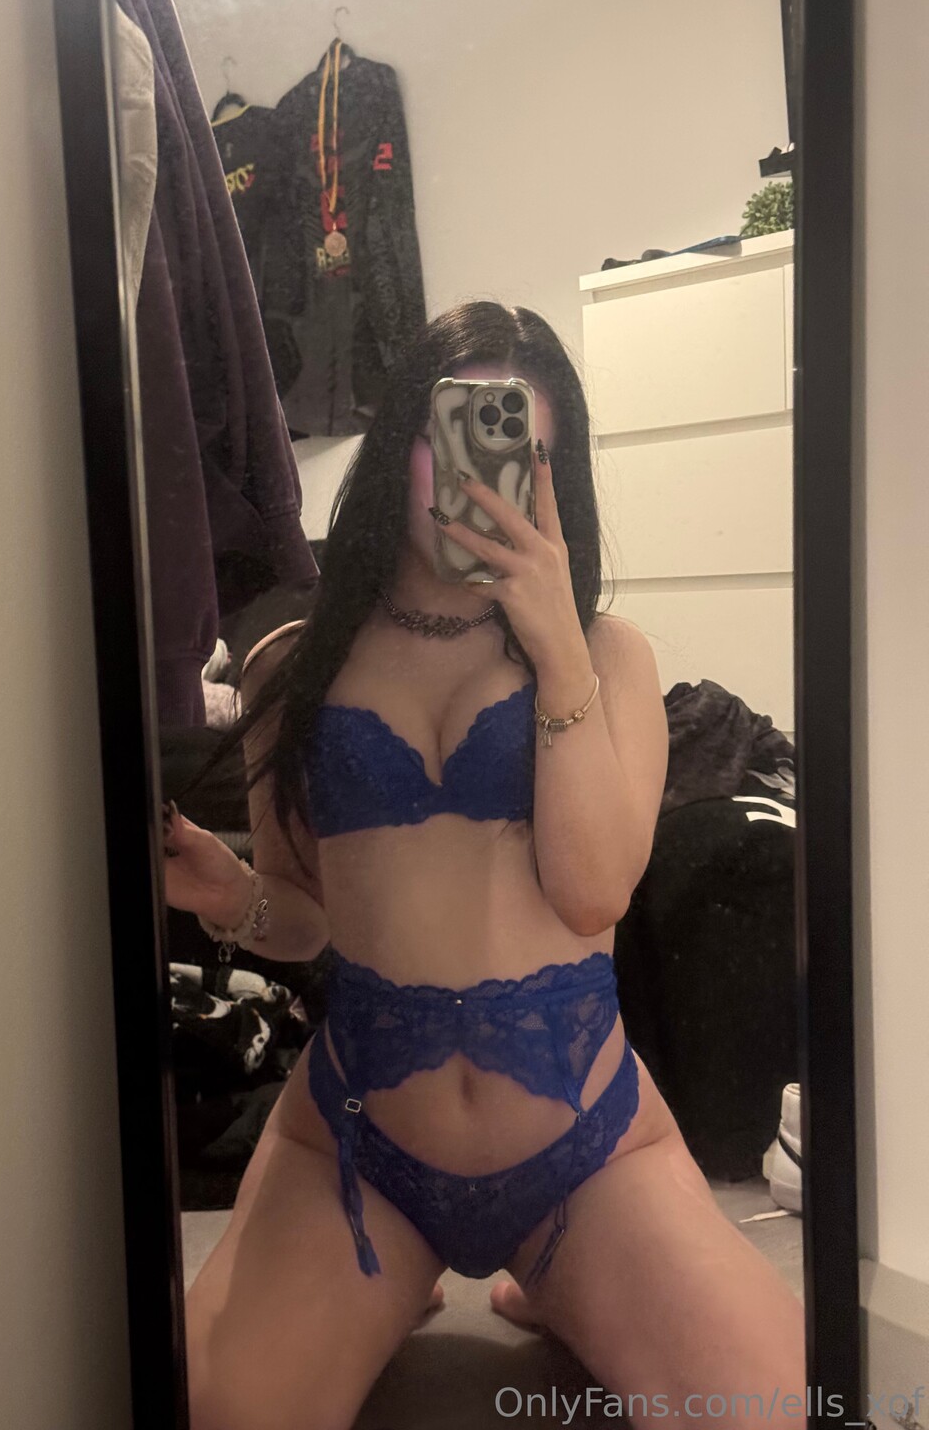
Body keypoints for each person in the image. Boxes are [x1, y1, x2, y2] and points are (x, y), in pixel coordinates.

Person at [163, 303, 806, 1430]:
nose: (482, 480)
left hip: (585, 1153)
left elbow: (593, 894)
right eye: (449, 438)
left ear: (558, 476)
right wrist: (233, 898)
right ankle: (393, 1283)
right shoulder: (292, 663)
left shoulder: (608, 656)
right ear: (397, 448)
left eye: (522, 451)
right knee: (219, 1413)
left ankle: (555, 1281)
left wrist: (556, 647)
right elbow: (307, 919)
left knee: (771, 1409)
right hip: (356, 1143)